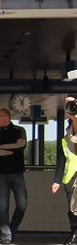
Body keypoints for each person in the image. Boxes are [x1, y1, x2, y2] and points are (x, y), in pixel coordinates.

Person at [0, 108, 27, 244]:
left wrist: (3, 147)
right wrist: (12, 149)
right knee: (2, 205)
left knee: (22, 204)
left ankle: (12, 228)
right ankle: (6, 234)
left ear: (6, 117)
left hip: (17, 172)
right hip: (0, 174)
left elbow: (22, 145)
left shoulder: (19, 130)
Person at [52, 96, 77, 236]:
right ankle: (74, 230)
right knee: (72, 207)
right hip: (70, 177)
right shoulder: (68, 132)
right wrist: (57, 180)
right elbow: (61, 159)